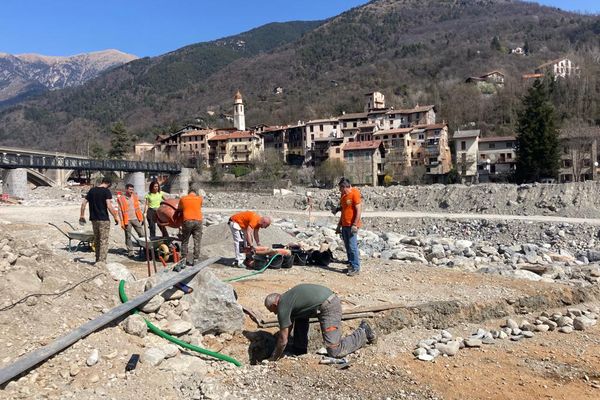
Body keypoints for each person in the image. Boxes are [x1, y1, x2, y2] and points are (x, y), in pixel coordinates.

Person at [264, 283, 376, 361]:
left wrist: (274, 357)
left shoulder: (283, 305)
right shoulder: (289, 298)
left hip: (329, 306)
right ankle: (299, 350)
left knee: (334, 351)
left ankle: (363, 332)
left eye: (273, 311)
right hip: (326, 299)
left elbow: (283, 340)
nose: (275, 314)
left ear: (275, 304)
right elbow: (289, 327)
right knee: (300, 317)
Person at [79, 177, 120, 264]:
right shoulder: (106, 191)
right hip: (103, 219)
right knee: (103, 240)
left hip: (94, 219)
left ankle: (97, 259)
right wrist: (115, 216)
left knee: (97, 240)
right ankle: (102, 262)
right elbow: (109, 205)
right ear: (108, 184)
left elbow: (83, 203)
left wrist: (82, 215)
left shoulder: (92, 190)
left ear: (102, 182)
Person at [335, 178, 362, 276]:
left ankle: (356, 268)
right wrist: (339, 226)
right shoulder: (343, 195)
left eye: (341, 189)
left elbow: (358, 210)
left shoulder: (355, 193)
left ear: (345, 187)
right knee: (347, 246)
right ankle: (351, 265)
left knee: (352, 246)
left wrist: (355, 224)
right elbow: (343, 211)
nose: (340, 191)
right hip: (345, 225)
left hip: (352, 225)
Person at [117, 183, 145, 258]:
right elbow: (119, 211)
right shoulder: (121, 198)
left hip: (136, 219)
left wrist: (141, 218)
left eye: (132, 189)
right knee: (128, 236)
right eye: (130, 189)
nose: (131, 191)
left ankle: (145, 249)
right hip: (127, 220)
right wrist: (122, 222)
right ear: (126, 189)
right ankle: (130, 252)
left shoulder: (135, 197)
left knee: (142, 234)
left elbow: (138, 208)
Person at [177, 188, 203, 265]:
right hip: (198, 221)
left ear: (188, 193)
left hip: (187, 221)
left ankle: (183, 260)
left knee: (185, 241)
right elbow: (199, 206)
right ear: (195, 193)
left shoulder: (183, 198)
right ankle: (195, 260)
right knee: (197, 241)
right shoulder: (199, 198)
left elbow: (179, 209)